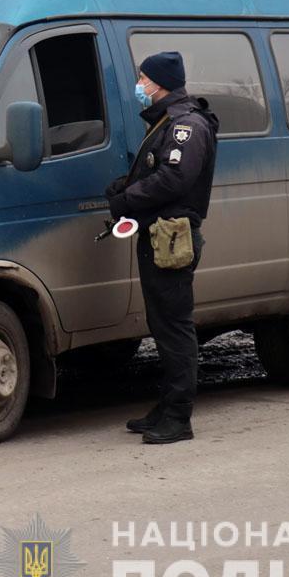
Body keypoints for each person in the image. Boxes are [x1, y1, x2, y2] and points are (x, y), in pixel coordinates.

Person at [105, 51, 219, 444]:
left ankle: (178, 417)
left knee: (174, 327)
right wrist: (127, 185)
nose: (139, 85)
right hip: (158, 234)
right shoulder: (165, 123)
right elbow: (159, 169)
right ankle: (166, 407)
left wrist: (128, 199)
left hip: (172, 236)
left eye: (142, 78)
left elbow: (174, 179)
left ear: (159, 83)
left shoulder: (187, 125)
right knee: (163, 324)